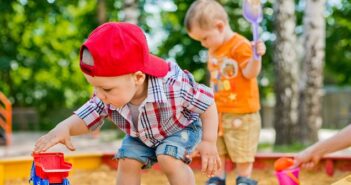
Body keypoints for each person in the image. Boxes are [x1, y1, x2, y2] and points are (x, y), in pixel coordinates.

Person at [33, 22, 221, 185]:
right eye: (95, 87)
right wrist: (65, 127)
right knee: (127, 159)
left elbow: (207, 102)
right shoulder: (107, 94)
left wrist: (209, 141)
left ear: (138, 77)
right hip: (142, 135)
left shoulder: (173, 84)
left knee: (167, 157)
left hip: (181, 129)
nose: (99, 95)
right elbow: (88, 115)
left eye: (106, 89)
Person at [184, 0, 266, 185]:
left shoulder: (240, 46)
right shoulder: (214, 49)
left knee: (242, 149)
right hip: (218, 111)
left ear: (219, 26)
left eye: (204, 38)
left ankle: (244, 179)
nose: (204, 44)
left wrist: (256, 57)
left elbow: (250, 73)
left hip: (241, 112)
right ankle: (217, 178)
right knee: (217, 147)